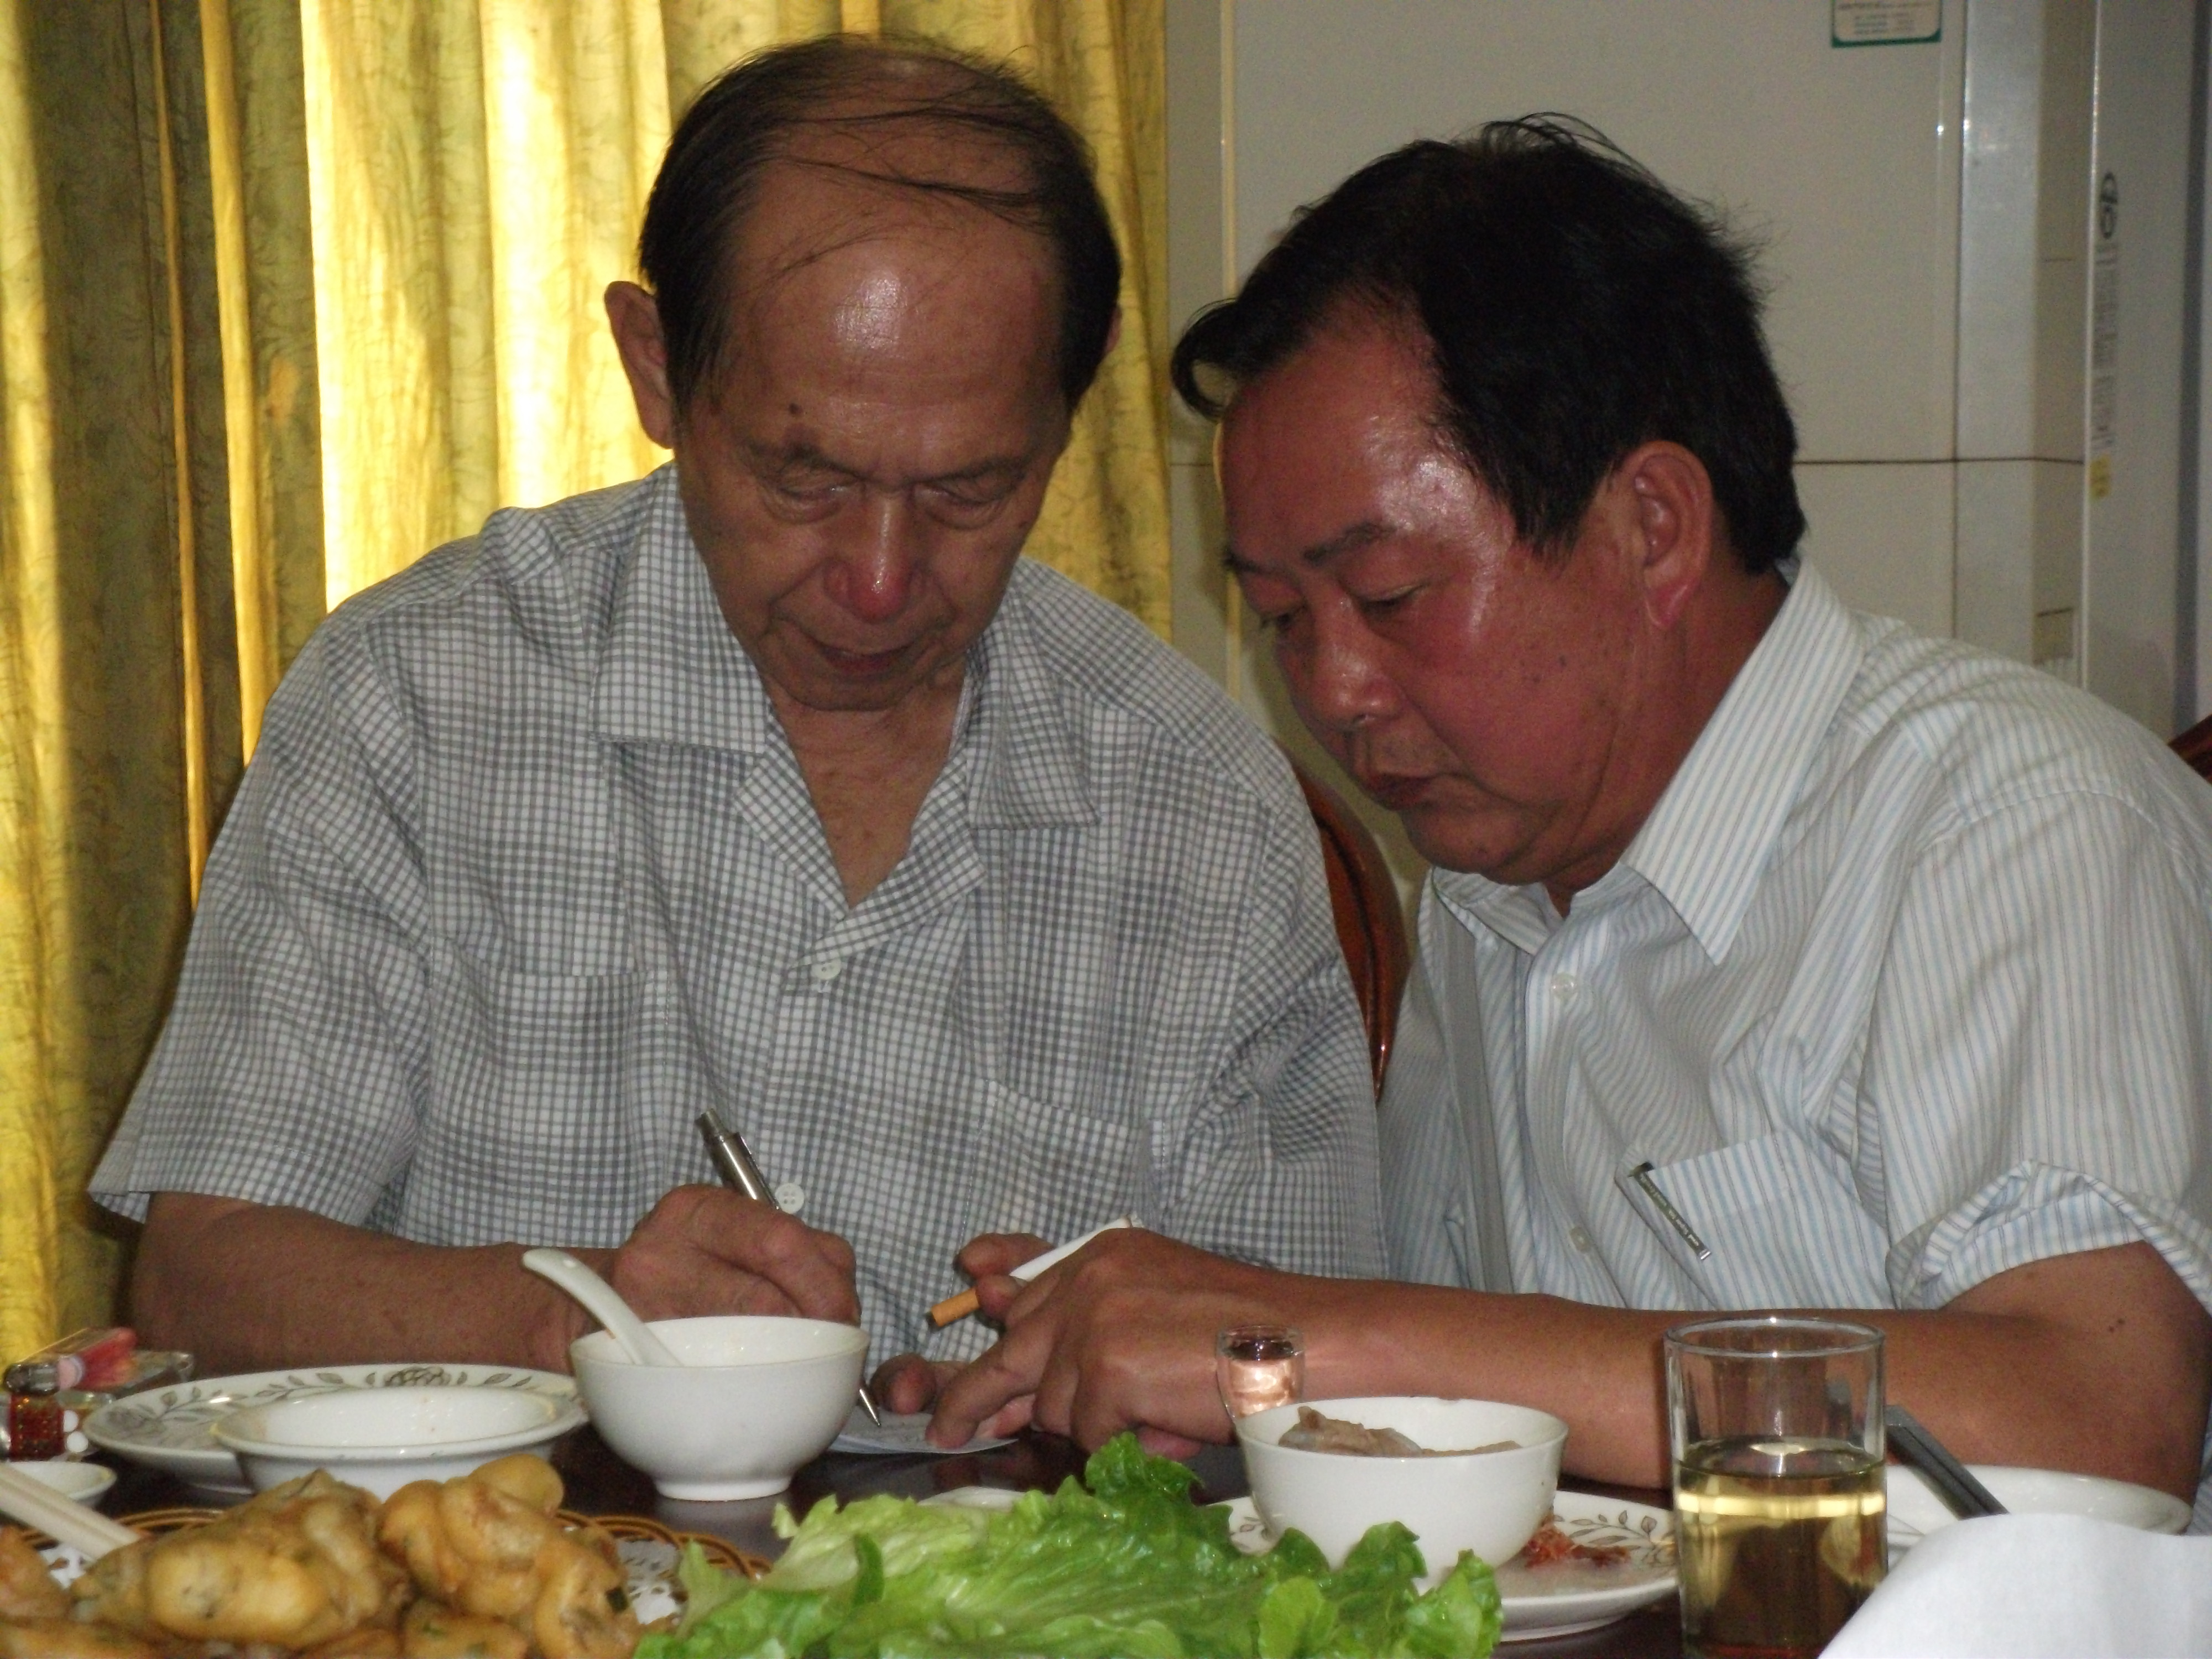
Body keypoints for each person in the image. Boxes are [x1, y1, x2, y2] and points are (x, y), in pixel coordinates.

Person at [928, 119, 2212, 1524]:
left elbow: (2097, 1423)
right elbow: (1458, 1406)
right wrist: (1200, 1385)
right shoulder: (1487, 889)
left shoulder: (2011, 823)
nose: (1332, 692)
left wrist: (1341, 1337)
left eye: (1391, 596)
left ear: (1651, 525)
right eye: (1284, 617)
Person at [91, 37, 1383, 1386]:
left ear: (1076, 392)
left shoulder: (1201, 806)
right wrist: (575, 1318)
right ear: (654, 368)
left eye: (968, 489)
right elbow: (199, 1282)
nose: (878, 580)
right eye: (803, 480)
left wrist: (1089, 1406)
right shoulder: (419, 697)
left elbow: (1296, 1370)